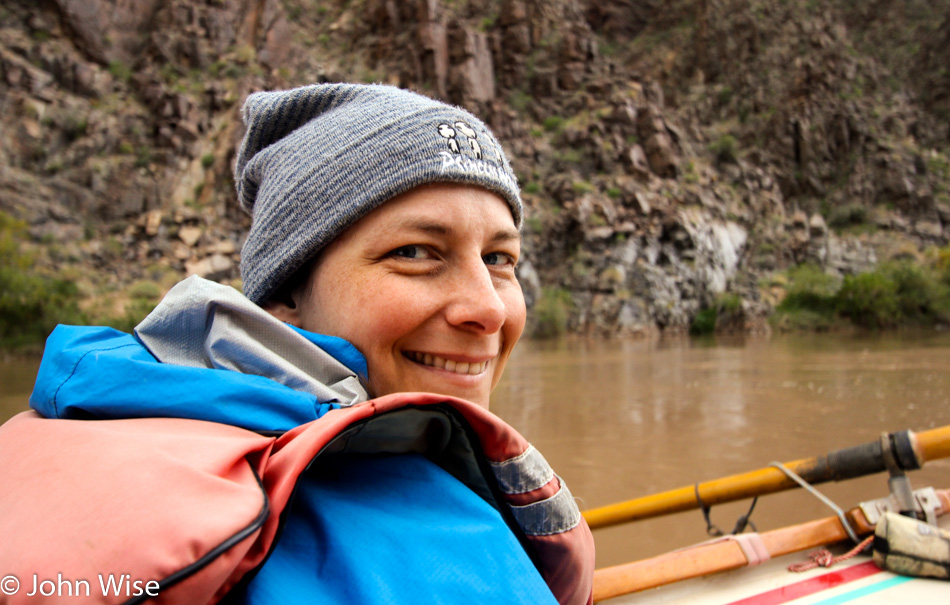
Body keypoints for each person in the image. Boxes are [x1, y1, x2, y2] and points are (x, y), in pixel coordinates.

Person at [0, 83, 594, 604]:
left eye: (499, 259)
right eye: (414, 253)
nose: (488, 308)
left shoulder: (102, 419)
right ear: (283, 297)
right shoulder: (421, 532)